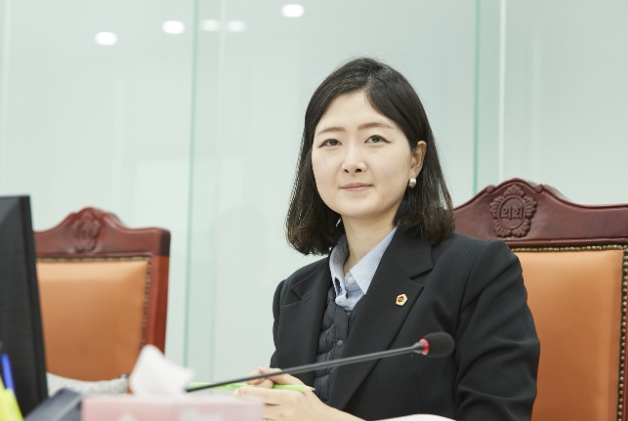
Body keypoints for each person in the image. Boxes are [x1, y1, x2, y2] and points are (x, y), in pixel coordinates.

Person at [236, 57, 539, 421]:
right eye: (331, 142)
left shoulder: (478, 272)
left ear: (415, 159)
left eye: (374, 139)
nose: (351, 162)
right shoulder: (294, 293)